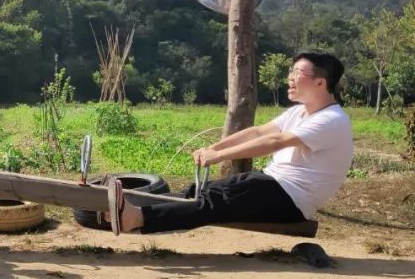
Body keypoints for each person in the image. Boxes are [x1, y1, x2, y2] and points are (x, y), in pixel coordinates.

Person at [105, 51, 353, 235]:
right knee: (197, 191)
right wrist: (215, 148)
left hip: (292, 198)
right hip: (273, 184)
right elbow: (257, 132)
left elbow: (275, 140)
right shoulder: (299, 112)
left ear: (320, 82)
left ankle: (136, 218)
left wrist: (220, 157)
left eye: (297, 73)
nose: (290, 78)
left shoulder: (331, 120)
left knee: (216, 198)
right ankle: (129, 209)